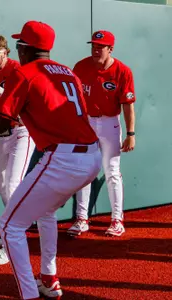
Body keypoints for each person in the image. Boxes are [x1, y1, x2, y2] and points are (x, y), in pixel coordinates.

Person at [0, 21, 102, 299]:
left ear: (24, 49)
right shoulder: (68, 72)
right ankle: (49, 278)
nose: (18, 49)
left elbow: (3, 126)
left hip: (64, 157)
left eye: (19, 45)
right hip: (91, 155)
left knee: (9, 226)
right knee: (46, 213)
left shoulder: (25, 72)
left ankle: (30, 294)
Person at [67, 30, 136, 238]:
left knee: (112, 170)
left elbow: (128, 105)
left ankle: (117, 220)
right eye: (94, 46)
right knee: (84, 170)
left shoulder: (122, 71)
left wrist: (131, 133)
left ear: (110, 49)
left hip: (109, 123)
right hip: (87, 122)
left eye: (101, 46)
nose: (96, 49)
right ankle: (81, 219)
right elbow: (73, 97)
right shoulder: (81, 66)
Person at [0, 34, 35, 266]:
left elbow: (22, 104)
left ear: (6, 52)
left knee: (13, 184)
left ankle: (13, 241)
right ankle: (12, 230)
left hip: (22, 131)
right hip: (1, 133)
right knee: (2, 183)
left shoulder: (18, 70)